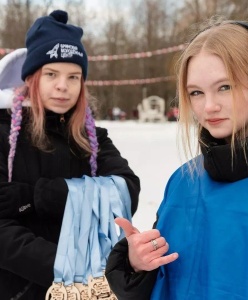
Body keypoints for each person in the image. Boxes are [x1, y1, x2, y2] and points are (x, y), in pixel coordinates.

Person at [105, 17, 248, 299]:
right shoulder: (183, 181)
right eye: (196, 92)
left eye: (225, 87)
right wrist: (137, 265)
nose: (209, 106)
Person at [0, 10, 140, 299]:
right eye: (52, 74)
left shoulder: (92, 138)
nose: (63, 86)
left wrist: (34, 198)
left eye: (73, 76)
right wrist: (70, 270)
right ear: (32, 78)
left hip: (89, 287)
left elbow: (125, 192)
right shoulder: (3, 135)